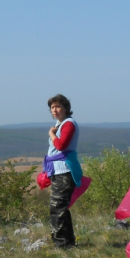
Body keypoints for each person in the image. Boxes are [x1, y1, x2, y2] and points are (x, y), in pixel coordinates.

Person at [43, 94, 83, 248]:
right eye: (52, 107)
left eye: (58, 106)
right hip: (58, 170)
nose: (55, 110)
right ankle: (67, 241)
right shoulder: (60, 124)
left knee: (57, 207)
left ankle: (61, 243)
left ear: (66, 108)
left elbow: (61, 145)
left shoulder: (68, 124)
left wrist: (51, 134)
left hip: (64, 170)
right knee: (61, 208)